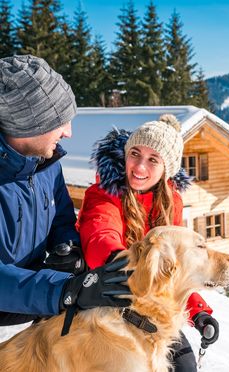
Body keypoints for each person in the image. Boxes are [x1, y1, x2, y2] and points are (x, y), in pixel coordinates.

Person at [76, 114, 220, 372]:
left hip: (151, 306)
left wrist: (198, 312)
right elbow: (100, 234)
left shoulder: (171, 203)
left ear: (167, 169)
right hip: (109, 299)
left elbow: (176, 268)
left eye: (153, 160)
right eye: (135, 154)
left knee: (185, 365)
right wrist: (124, 263)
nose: (139, 167)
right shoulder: (105, 193)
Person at [0, 55, 131, 328]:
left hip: (32, 288)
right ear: (28, 124)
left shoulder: (46, 163)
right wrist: (64, 290)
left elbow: (60, 216)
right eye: (59, 122)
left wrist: (68, 249)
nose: (69, 132)